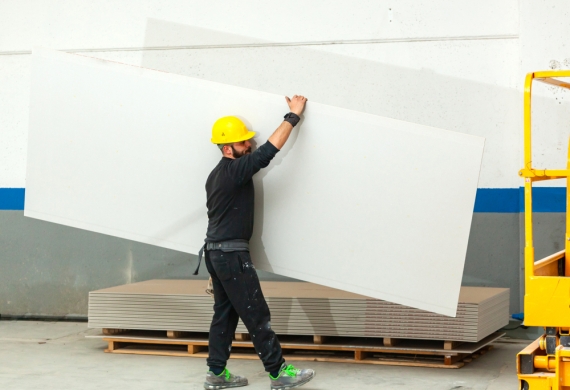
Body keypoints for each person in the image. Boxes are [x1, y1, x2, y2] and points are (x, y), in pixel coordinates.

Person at [201, 95, 315, 390]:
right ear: (227, 148)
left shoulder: (215, 176)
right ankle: (279, 373)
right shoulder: (233, 171)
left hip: (216, 253)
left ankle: (216, 373)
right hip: (230, 255)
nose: (248, 145)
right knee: (255, 312)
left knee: (225, 315)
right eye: (242, 143)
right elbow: (267, 152)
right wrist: (293, 116)